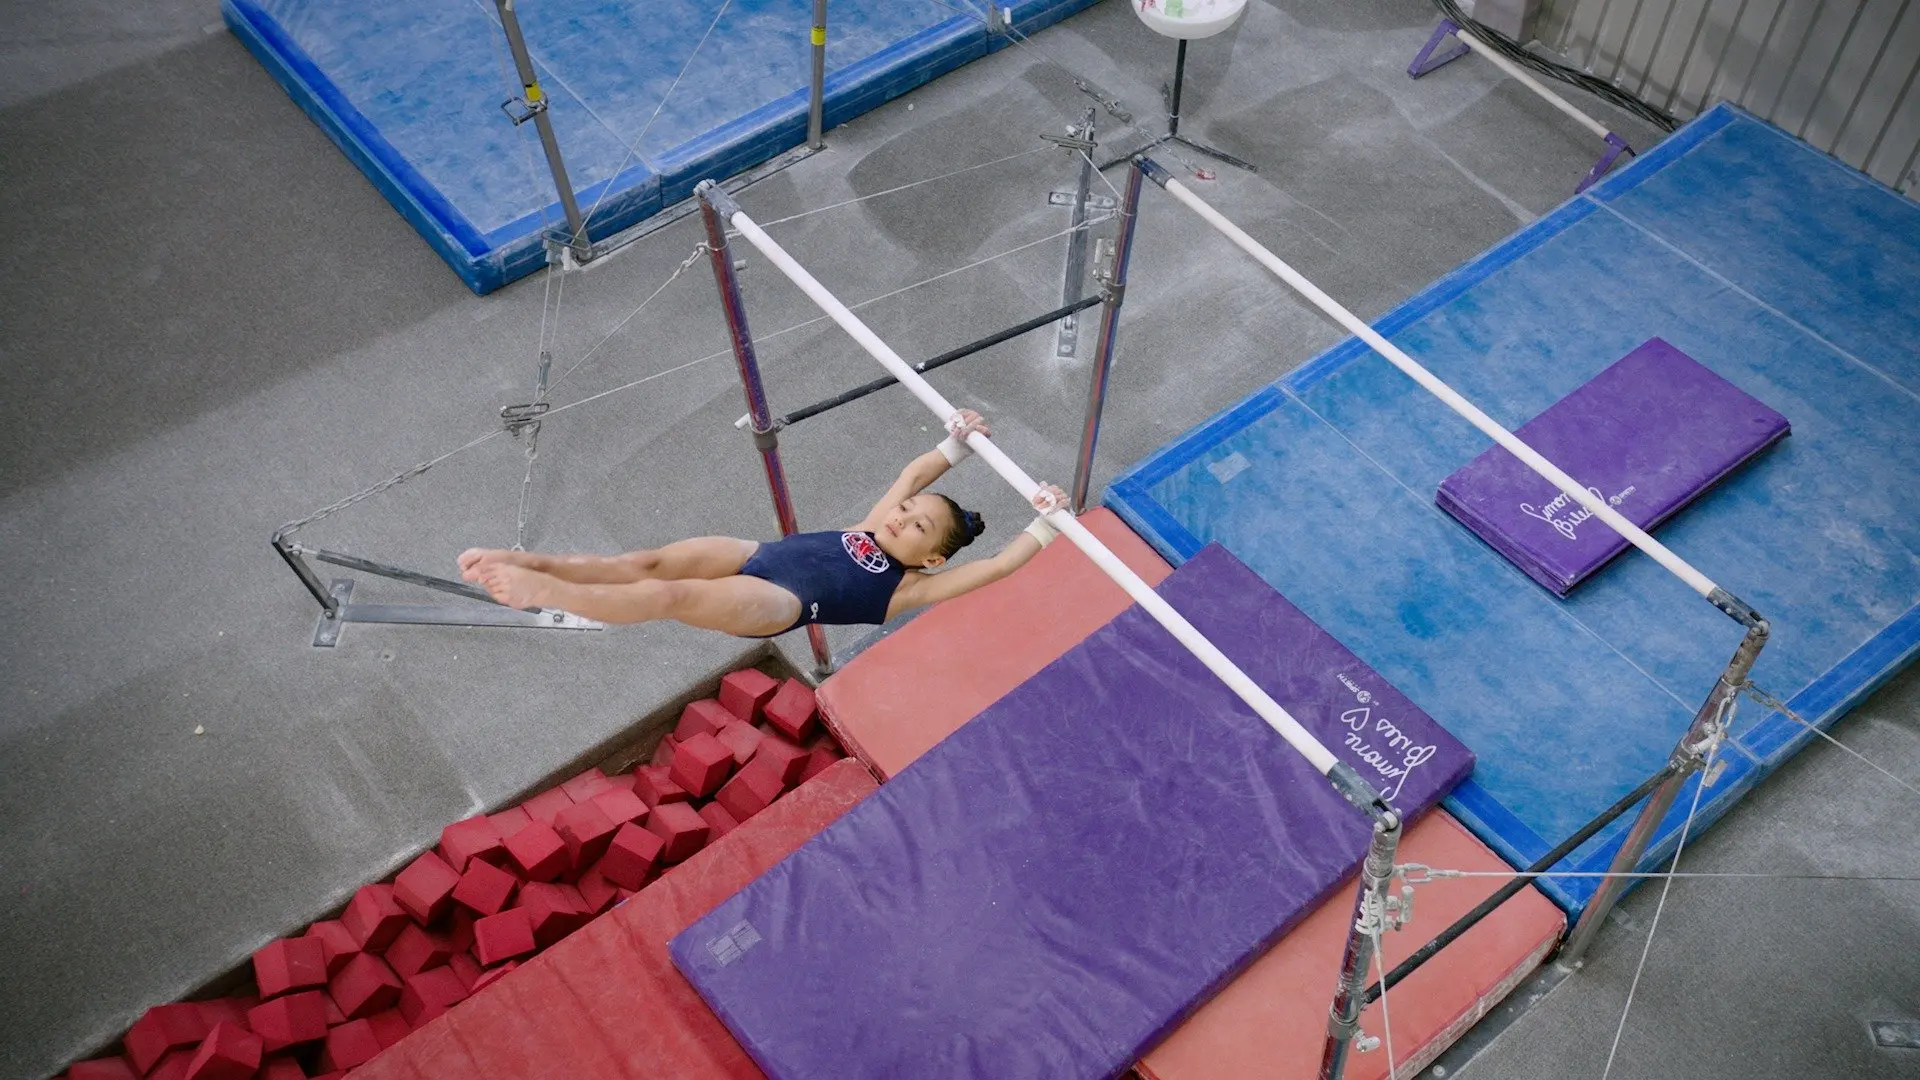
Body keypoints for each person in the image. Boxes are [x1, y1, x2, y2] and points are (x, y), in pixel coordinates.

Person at [459, 410, 1065, 638]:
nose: (901, 517)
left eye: (917, 528)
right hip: (761, 555)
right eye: (907, 512)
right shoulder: (870, 529)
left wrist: (1049, 522)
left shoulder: (908, 586)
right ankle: (532, 562)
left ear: (930, 558)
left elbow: (997, 566)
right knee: (643, 563)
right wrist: (958, 439)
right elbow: (912, 476)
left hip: (780, 603)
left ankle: (548, 594)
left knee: (672, 595)